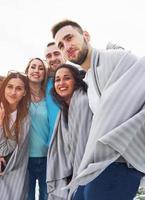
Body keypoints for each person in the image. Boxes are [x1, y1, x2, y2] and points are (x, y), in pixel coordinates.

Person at [51, 20, 145, 199]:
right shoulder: (89, 80)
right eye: (61, 45)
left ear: (85, 36)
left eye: (69, 38)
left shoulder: (114, 58)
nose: (66, 47)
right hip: (98, 164)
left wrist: (128, 128)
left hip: (121, 163)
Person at [46, 64, 92, 200]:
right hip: (73, 171)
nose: (61, 83)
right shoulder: (65, 108)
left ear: (76, 81)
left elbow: (82, 145)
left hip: (85, 172)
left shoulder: (82, 102)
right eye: (57, 80)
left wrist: (76, 181)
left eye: (66, 78)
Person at [0, 71, 31, 200]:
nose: (13, 92)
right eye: (9, 86)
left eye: (19, 88)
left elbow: (4, 150)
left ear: (24, 92)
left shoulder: (22, 118)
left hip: (2, 169)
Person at [25, 58, 49, 200]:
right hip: (25, 158)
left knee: (46, 196)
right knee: (27, 196)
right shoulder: (20, 93)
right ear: (27, 70)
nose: (36, 71)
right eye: (33, 67)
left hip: (48, 157)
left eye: (41, 68)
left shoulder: (51, 96)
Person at [44, 42, 65, 139]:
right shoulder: (43, 83)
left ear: (64, 54)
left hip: (79, 143)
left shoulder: (80, 77)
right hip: (52, 145)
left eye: (56, 53)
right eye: (49, 56)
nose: (53, 58)